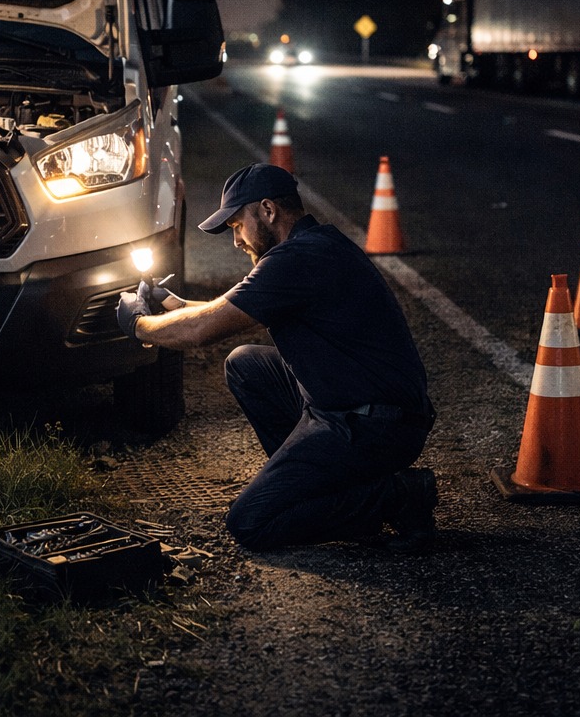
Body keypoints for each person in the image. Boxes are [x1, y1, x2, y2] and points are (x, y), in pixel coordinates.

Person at [117, 163, 438, 553]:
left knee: (251, 523)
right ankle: (321, 489)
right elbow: (226, 311)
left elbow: (201, 330)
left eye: (237, 225)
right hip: (354, 404)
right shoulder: (315, 245)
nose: (236, 241)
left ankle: (398, 495)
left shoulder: (296, 259)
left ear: (268, 210)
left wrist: (138, 325)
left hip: (374, 426)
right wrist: (174, 304)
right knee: (245, 363)